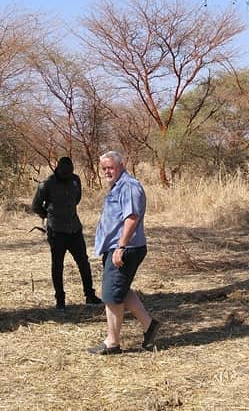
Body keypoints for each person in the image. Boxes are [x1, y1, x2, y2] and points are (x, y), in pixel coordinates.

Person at [89, 150, 158, 355]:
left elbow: (132, 218)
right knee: (119, 289)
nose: (107, 172)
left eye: (110, 167)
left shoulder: (129, 186)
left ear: (120, 165)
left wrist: (120, 247)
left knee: (112, 296)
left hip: (126, 249)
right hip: (116, 248)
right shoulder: (117, 186)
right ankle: (149, 325)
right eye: (104, 168)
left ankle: (112, 342)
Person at [32, 156, 102, 309]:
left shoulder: (75, 180)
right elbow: (36, 206)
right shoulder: (46, 184)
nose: (67, 176)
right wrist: (49, 215)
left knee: (83, 262)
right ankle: (60, 300)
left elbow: (77, 199)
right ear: (57, 169)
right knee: (58, 265)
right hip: (56, 231)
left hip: (74, 229)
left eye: (69, 173)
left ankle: (90, 295)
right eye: (64, 173)